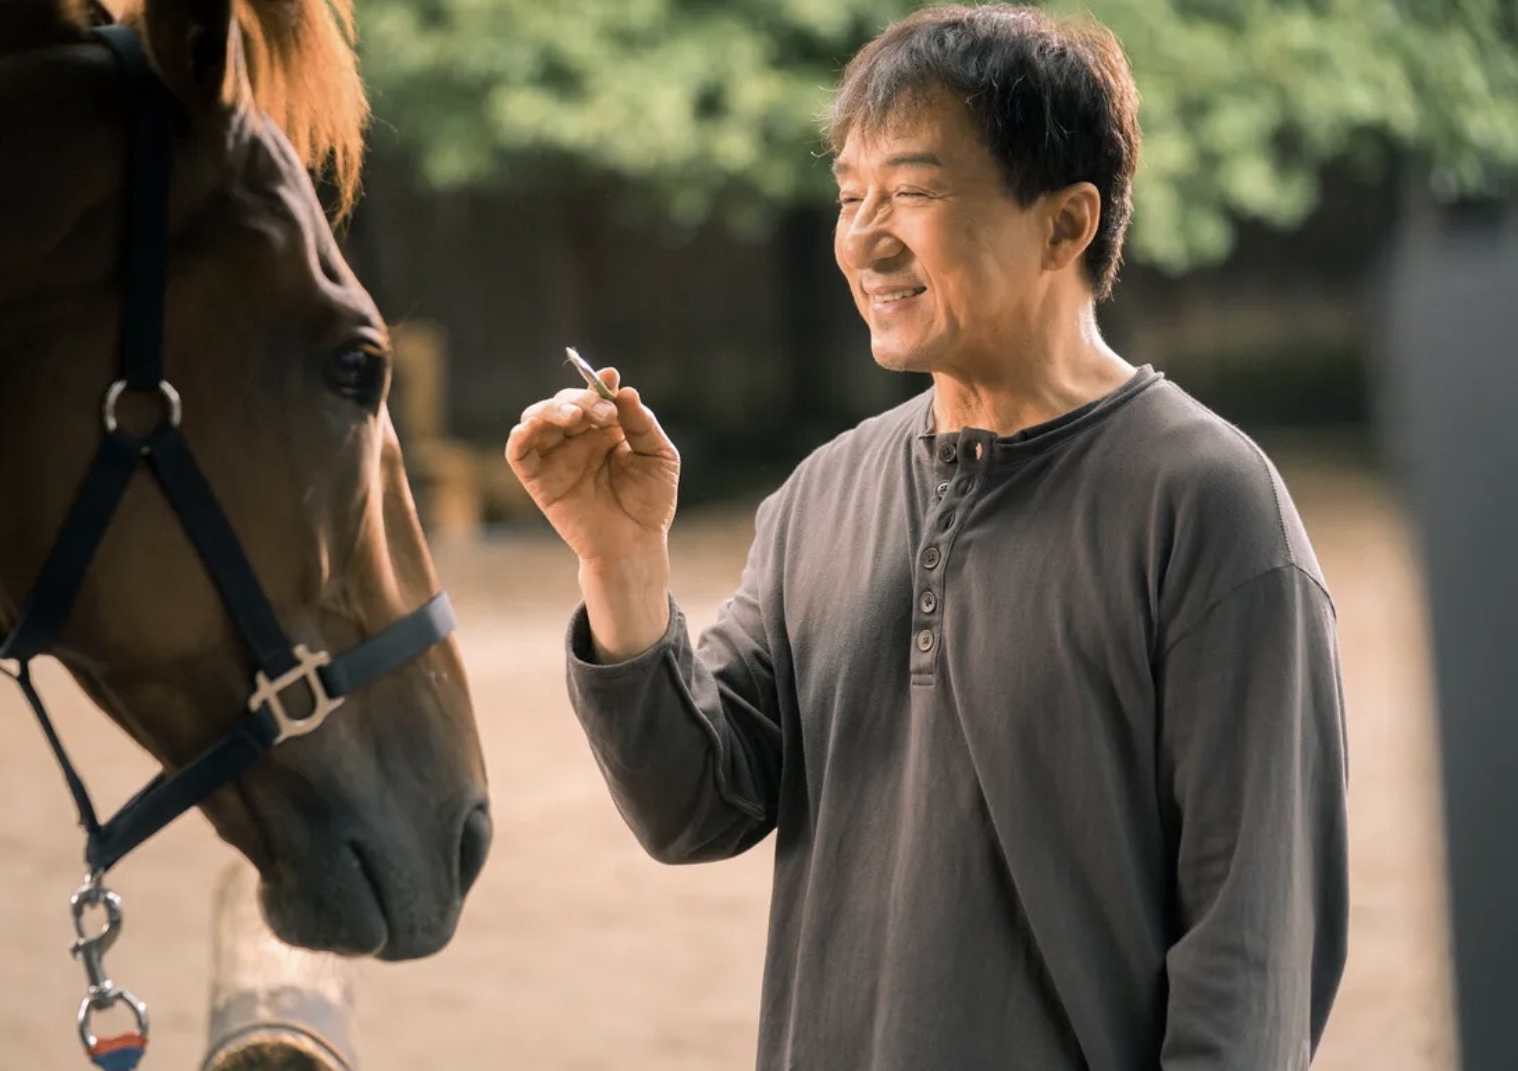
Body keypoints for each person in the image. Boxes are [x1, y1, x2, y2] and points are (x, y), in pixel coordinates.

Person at [504, 4, 1349, 1068]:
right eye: (849, 196)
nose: (865, 237)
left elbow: (1252, 950)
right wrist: (621, 561)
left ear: (1065, 224)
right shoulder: (821, 495)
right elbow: (692, 806)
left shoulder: (1208, 505)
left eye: (911, 191)